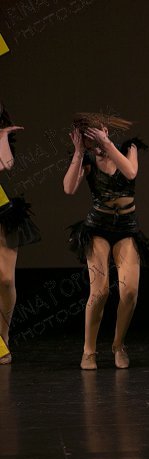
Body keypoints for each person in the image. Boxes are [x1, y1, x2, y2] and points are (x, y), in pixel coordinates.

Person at [63, 113, 149, 370]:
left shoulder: (128, 148)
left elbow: (131, 172)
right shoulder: (87, 159)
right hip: (98, 228)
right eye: (87, 139)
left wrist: (106, 143)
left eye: (95, 136)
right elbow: (68, 188)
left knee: (130, 291)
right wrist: (78, 152)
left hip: (126, 228)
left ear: (104, 130)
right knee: (99, 291)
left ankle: (118, 344)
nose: (93, 142)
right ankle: (89, 350)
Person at [0, 102, 41, 364]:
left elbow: (5, 163)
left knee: (5, 280)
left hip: (2, 210)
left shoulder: (1, 136)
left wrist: (2, 135)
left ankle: (3, 335)